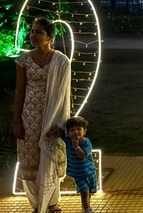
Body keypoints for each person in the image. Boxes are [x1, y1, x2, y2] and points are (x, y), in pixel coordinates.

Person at [12, 17, 71, 213]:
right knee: (30, 161)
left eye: (38, 32)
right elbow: (19, 91)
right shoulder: (24, 60)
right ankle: (37, 204)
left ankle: (52, 203)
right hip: (29, 116)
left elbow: (64, 94)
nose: (33, 35)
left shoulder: (61, 61)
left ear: (50, 37)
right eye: (32, 31)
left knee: (49, 158)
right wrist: (17, 120)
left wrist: (61, 124)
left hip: (51, 117)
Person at [64, 116, 96, 213]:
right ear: (68, 133)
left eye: (79, 129)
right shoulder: (67, 141)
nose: (76, 132)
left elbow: (83, 156)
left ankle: (86, 207)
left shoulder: (86, 142)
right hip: (78, 175)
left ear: (84, 131)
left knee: (89, 191)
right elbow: (60, 135)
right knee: (84, 192)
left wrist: (76, 147)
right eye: (72, 130)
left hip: (90, 172)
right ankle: (87, 209)